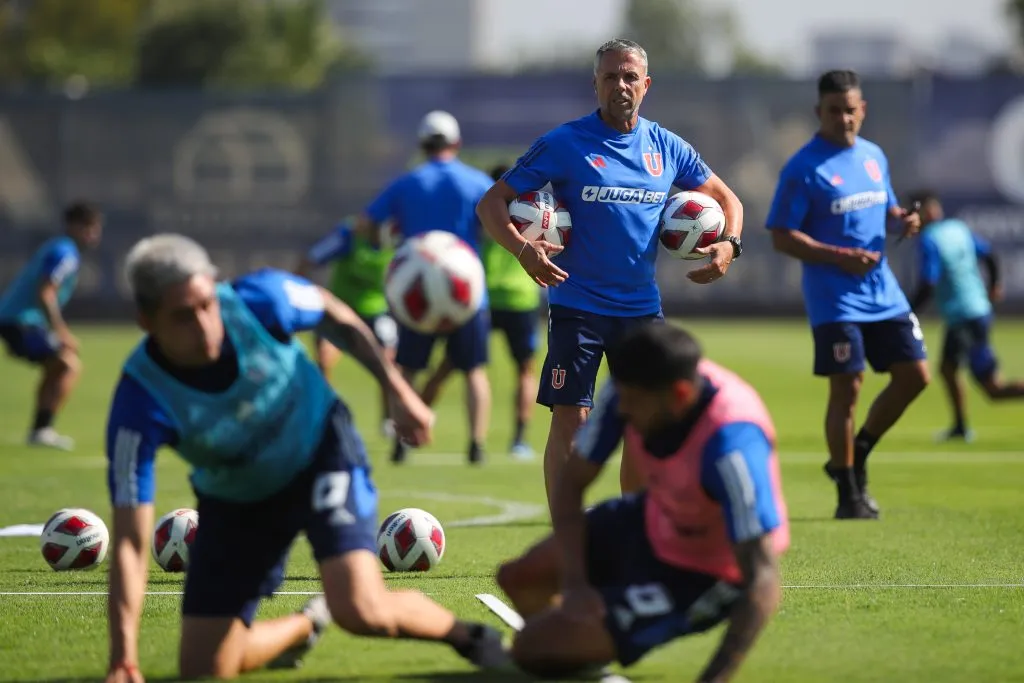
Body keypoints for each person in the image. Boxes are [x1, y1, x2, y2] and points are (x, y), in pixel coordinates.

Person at [103, 234, 506, 682]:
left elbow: (336, 315)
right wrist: (124, 659)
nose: (204, 326)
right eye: (182, 316)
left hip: (321, 453)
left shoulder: (260, 299)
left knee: (361, 609)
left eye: (206, 304)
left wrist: (397, 390)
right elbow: (129, 543)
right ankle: (305, 625)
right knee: (203, 670)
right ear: (145, 320)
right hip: (238, 499)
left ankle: (470, 636)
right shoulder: (139, 402)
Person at [476, 38, 745, 514]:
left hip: (641, 312)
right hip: (577, 307)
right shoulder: (564, 143)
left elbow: (729, 202)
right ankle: (567, 532)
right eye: (609, 77)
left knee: (647, 426)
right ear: (595, 84)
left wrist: (730, 244)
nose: (619, 85)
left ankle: (635, 532)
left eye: (628, 77)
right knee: (572, 421)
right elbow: (491, 202)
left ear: (646, 84)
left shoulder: (667, 147)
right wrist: (522, 250)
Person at [495, 323, 788, 681]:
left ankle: (572, 644)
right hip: (655, 517)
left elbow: (762, 578)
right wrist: (575, 587)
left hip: (705, 569)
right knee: (518, 578)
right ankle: (579, 649)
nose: (624, 414)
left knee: (532, 648)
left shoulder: (732, 443)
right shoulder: (627, 391)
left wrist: (714, 678)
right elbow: (572, 483)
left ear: (679, 395)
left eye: (633, 405)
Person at [767, 69, 929, 521]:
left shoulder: (874, 156)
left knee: (916, 375)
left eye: (851, 109)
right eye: (834, 111)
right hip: (834, 300)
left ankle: (857, 450)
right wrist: (838, 255)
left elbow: (886, 211)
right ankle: (848, 491)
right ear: (819, 112)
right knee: (848, 389)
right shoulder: (803, 168)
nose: (844, 118)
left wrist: (902, 220)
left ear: (863, 110)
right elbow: (781, 235)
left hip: (884, 293)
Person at [356, 110, 493, 465]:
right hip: (466, 289)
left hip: (415, 290)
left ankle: (401, 440)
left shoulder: (407, 182)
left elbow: (369, 222)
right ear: (457, 143)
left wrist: (382, 244)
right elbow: (497, 219)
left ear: (422, 145)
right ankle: (476, 445)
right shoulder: (475, 181)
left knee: (407, 369)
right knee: (473, 371)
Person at [421, 164, 541, 461]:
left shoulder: (486, 213)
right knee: (525, 371)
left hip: (482, 297)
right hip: (520, 298)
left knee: (450, 366)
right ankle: (519, 441)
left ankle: (411, 429)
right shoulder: (533, 214)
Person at [907, 190, 1024, 440]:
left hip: (964, 315)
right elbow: (989, 255)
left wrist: (907, 313)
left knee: (988, 387)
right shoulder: (958, 229)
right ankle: (960, 426)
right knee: (957, 373)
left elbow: (928, 281)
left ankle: (960, 427)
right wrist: (994, 285)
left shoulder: (930, 239)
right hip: (976, 310)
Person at [0, 201, 103, 450]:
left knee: (59, 365)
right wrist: (61, 331)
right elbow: (45, 293)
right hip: (21, 322)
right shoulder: (64, 253)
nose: (95, 235)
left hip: (18, 320)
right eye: (91, 228)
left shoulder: (59, 248)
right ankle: (41, 430)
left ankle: (40, 430)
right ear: (77, 227)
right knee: (68, 364)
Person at [296, 217, 398, 436]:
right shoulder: (348, 236)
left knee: (389, 362)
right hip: (340, 310)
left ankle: (391, 420)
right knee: (324, 357)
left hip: (375, 313)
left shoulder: (401, 240)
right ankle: (324, 416)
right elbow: (310, 259)